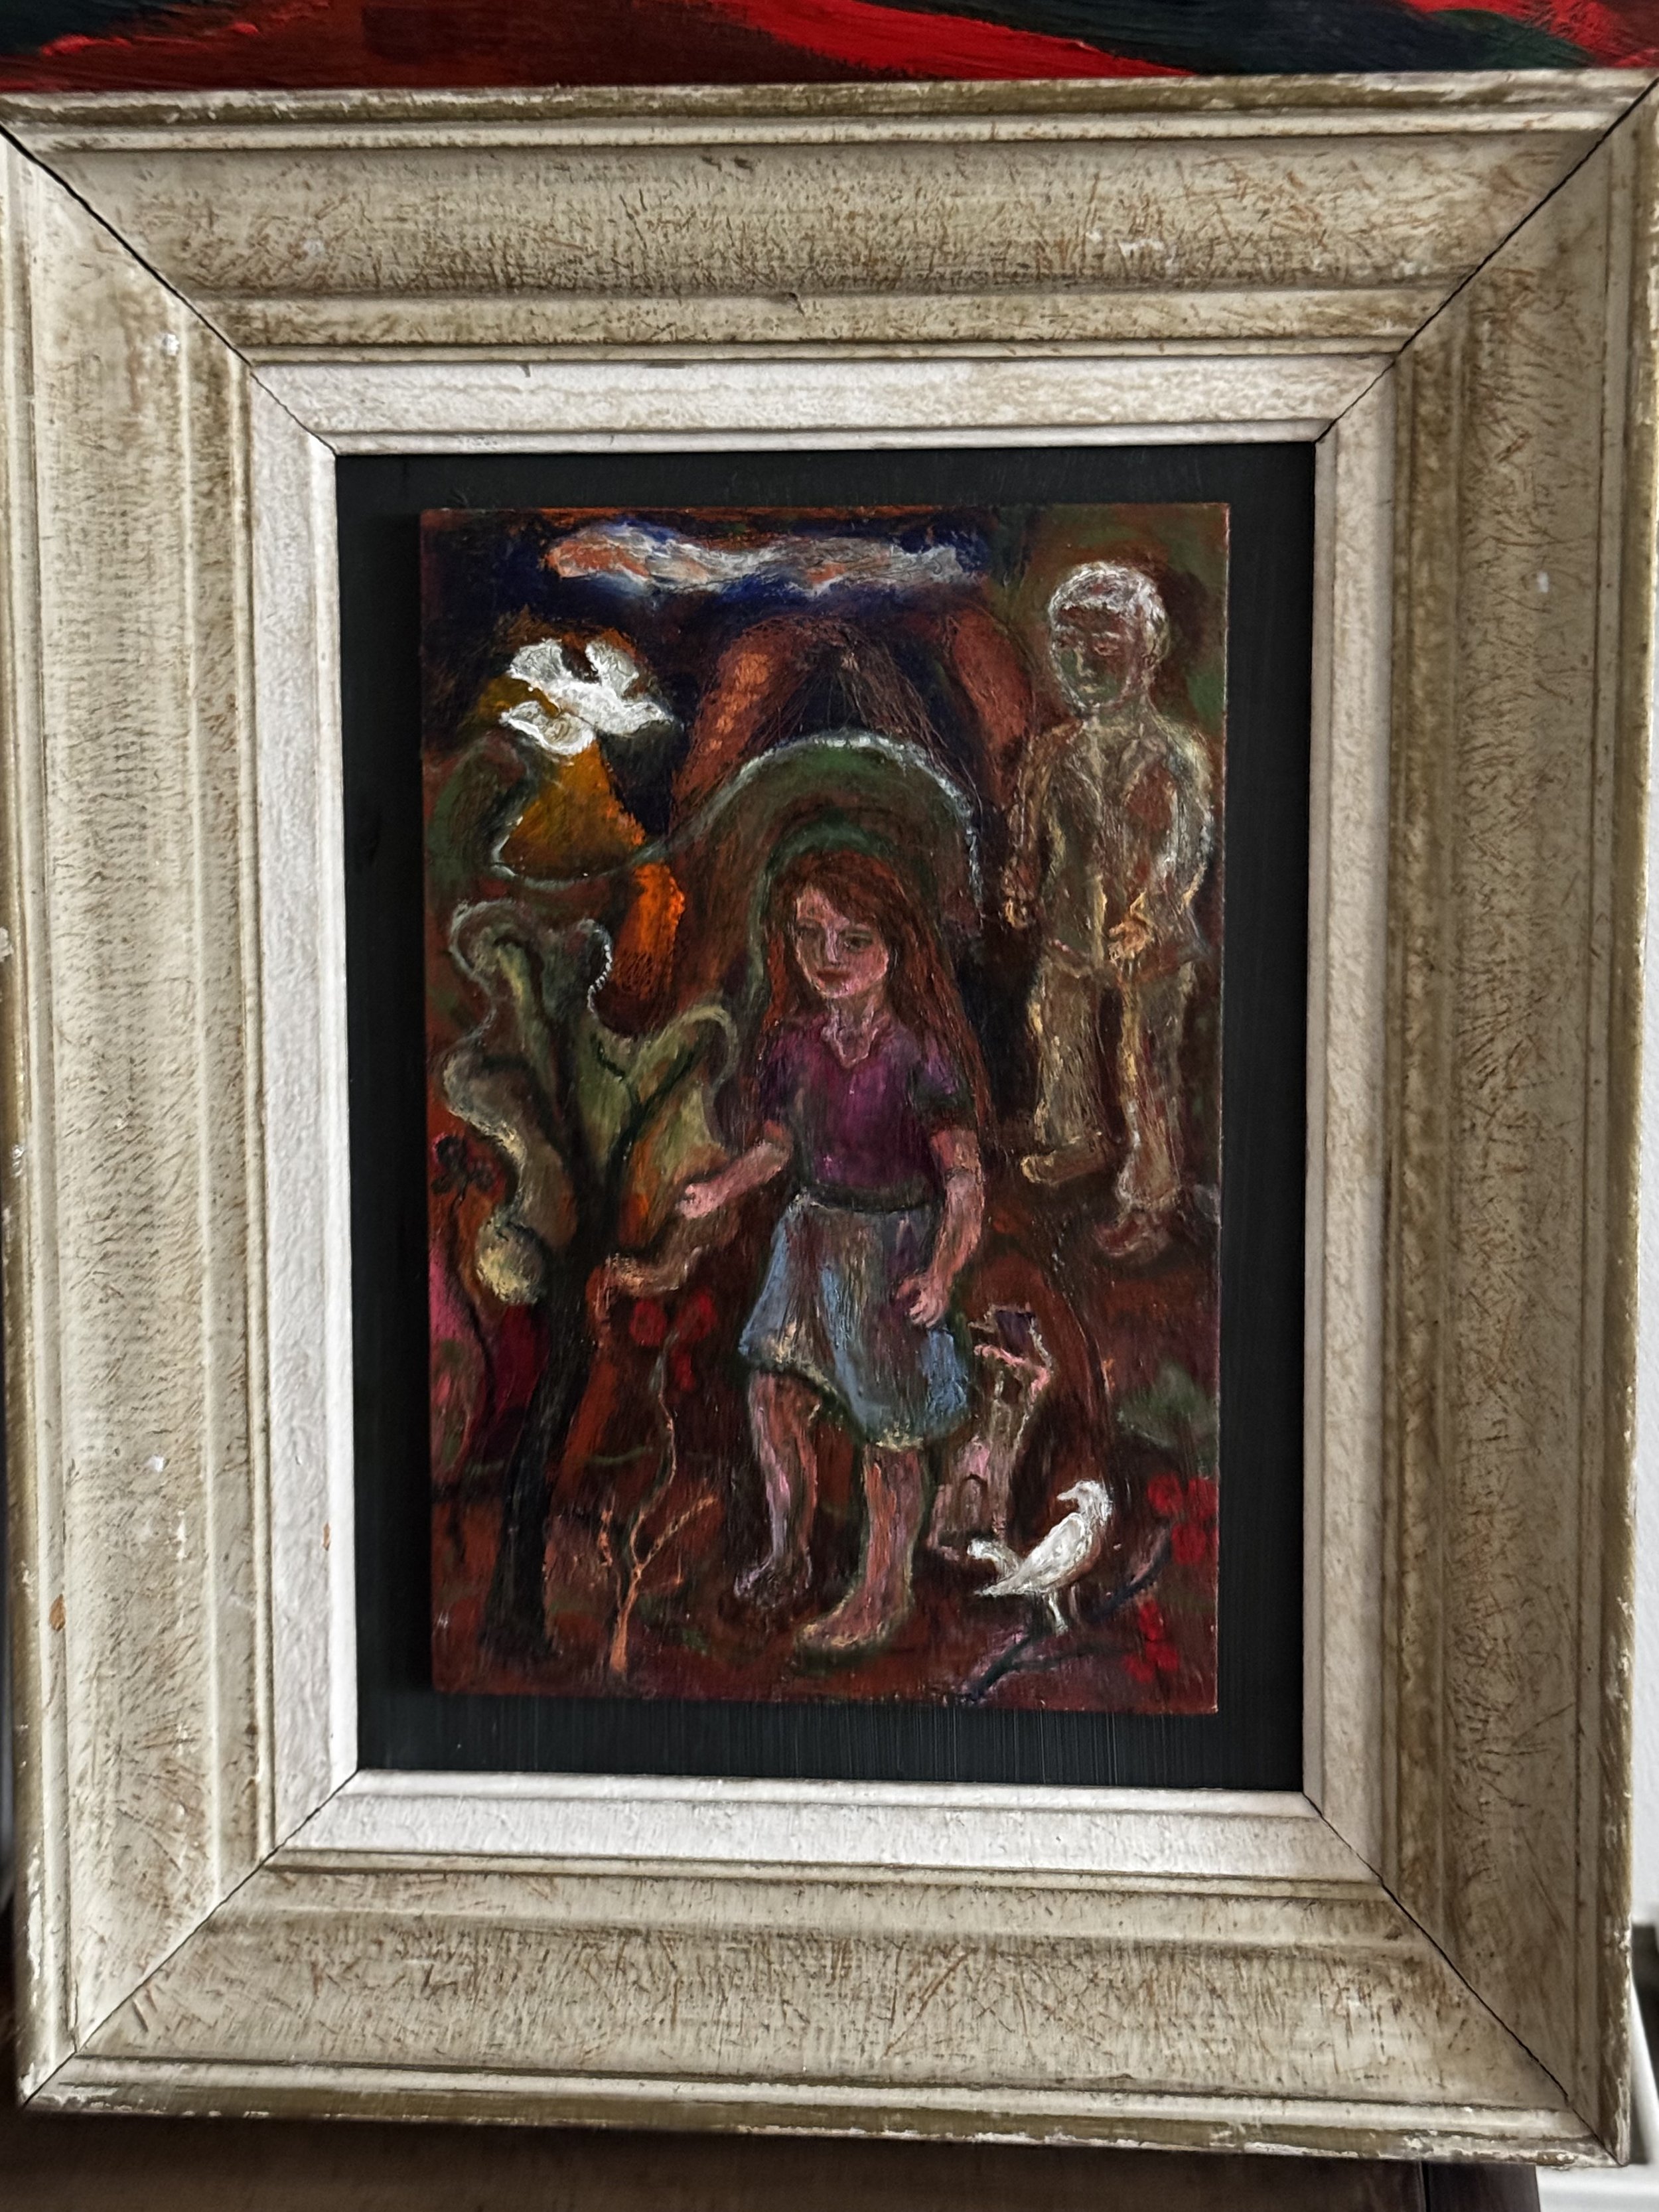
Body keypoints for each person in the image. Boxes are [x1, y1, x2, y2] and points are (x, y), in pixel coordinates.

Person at [678, 846, 986, 1659]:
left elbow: (963, 1179)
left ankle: (880, 1593)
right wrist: (720, 1188)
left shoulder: (920, 1053)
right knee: (772, 1396)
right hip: (809, 1240)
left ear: (895, 947)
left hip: (893, 1251)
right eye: (810, 934)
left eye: (854, 939)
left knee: (890, 1433)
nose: (828, 956)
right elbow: (777, 1148)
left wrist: (943, 1271)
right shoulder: (791, 1045)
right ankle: (788, 1555)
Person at [1005, 562, 1214, 1257]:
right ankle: (1076, 1137)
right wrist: (1020, 879)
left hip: (1150, 936)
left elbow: (1185, 845)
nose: (1083, 661)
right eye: (1068, 644)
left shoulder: (1175, 753)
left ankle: (1150, 1196)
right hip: (1072, 924)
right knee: (1055, 1020)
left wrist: (1152, 911)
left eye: (1104, 644)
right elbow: (1028, 830)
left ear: (1146, 652)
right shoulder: (1053, 752)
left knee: (1144, 1062)